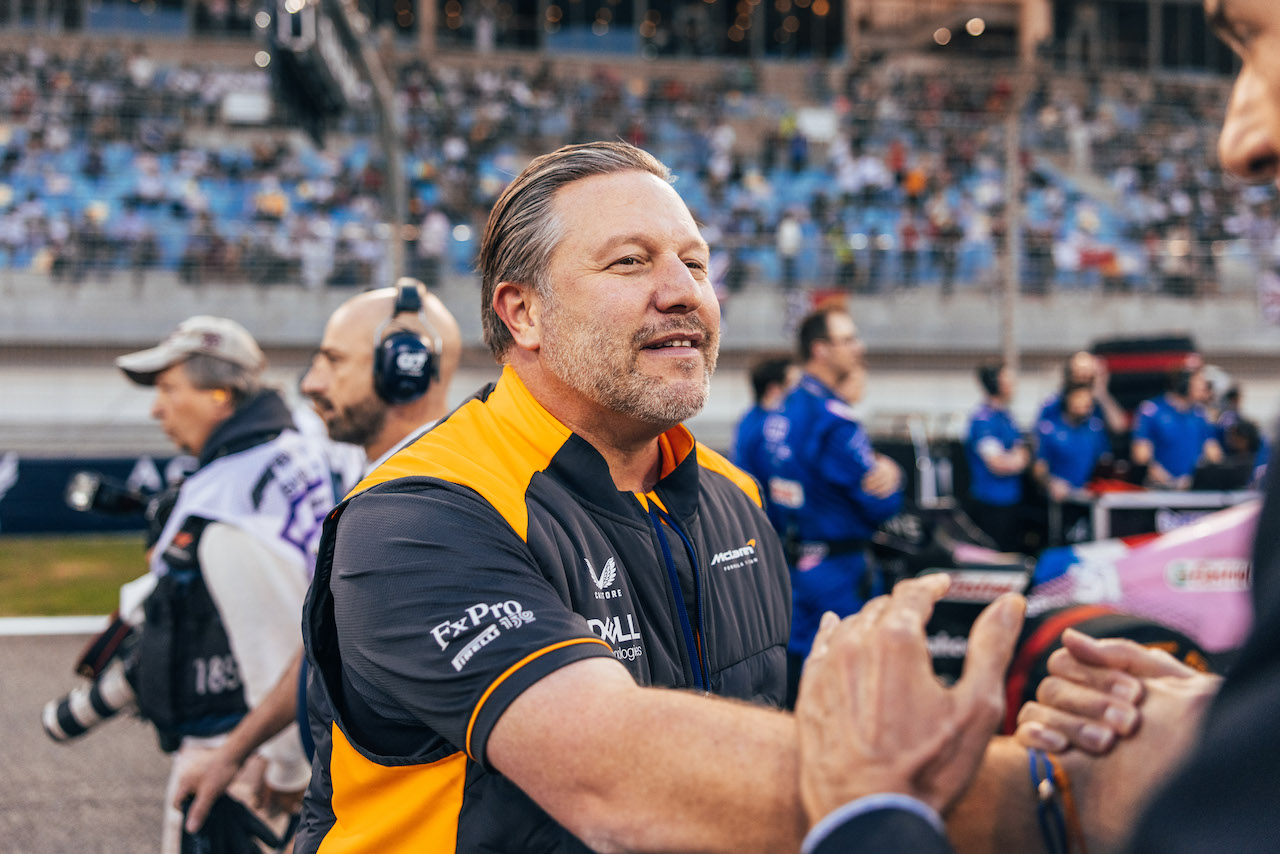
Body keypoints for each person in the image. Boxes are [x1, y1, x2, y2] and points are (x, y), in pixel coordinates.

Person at [293, 141, 1048, 854]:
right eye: (630, 262)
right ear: (522, 312)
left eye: (697, 263)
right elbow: (615, 774)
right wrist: (1046, 790)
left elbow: (748, 756)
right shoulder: (419, 514)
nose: (684, 292)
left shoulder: (735, 498)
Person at [797, 1, 1280, 850]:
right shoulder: (829, 418)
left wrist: (867, 809)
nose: (1236, 143)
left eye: (1253, 39)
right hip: (866, 561)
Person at [171, 280, 463, 835]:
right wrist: (236, 751)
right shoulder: (381, 480)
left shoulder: (427, 503)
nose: (310, 383)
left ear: (406, 366)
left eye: (332, 361)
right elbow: (320, 648)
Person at [113, 316, 341, 854]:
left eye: (169, 389)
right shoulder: (294, 447)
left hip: (242, 750)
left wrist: (284, 765)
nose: (156, 408)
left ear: (220, 396)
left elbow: (280, 641)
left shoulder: (230, 502)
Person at [765, 306, 903, 706]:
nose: (858, 348)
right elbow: (881, 504)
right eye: (847, 340)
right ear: (821, 350)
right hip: (840, 576)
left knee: (798, 681)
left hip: (793, 569)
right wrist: (894, 475)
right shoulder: (835, 421)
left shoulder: (783, 411)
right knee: (845, 691)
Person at [964, 362, 1029, 552]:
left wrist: (1016, 459)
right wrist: (1016, 459)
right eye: (1007, 379)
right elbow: (997, 464)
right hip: (990, 502)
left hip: (1010, 500)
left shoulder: (1006, 416)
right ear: (995, 383)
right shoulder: (983, 419)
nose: (1012, 384)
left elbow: (1022, 453)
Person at [1130, 366, 1222, 489]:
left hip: (1193, 488)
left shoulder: (1200, 414)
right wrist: (1171, 483)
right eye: (1198, 382)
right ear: (1183, 384)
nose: (1204, 386)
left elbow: (1214, 453)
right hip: (1160, 489)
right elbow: (1141, 457)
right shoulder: (1151, 410)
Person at [731, 353, 794, 522]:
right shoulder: (770, 430)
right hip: (769, 521)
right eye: (794, 387)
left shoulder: (749, 419)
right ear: (774, 390)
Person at [1034, 381, 1110, 502]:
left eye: (1088, 398)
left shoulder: (1095, 428)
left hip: (1089, 498)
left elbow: (1104, 460)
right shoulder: (1049, 429)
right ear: (1067, 400)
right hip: (1060, 499)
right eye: (1079, 397)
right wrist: (1051, 483)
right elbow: (1039, 469)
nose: (1086, 402)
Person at [1035, 350, 1126, 436]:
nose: (1083, 377)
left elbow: (1119, 427)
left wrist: (1102, 393)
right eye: (1079, 373)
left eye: (1088, 373)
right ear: (1070, 374)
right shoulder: (1054, 404)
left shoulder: (1097, 404)